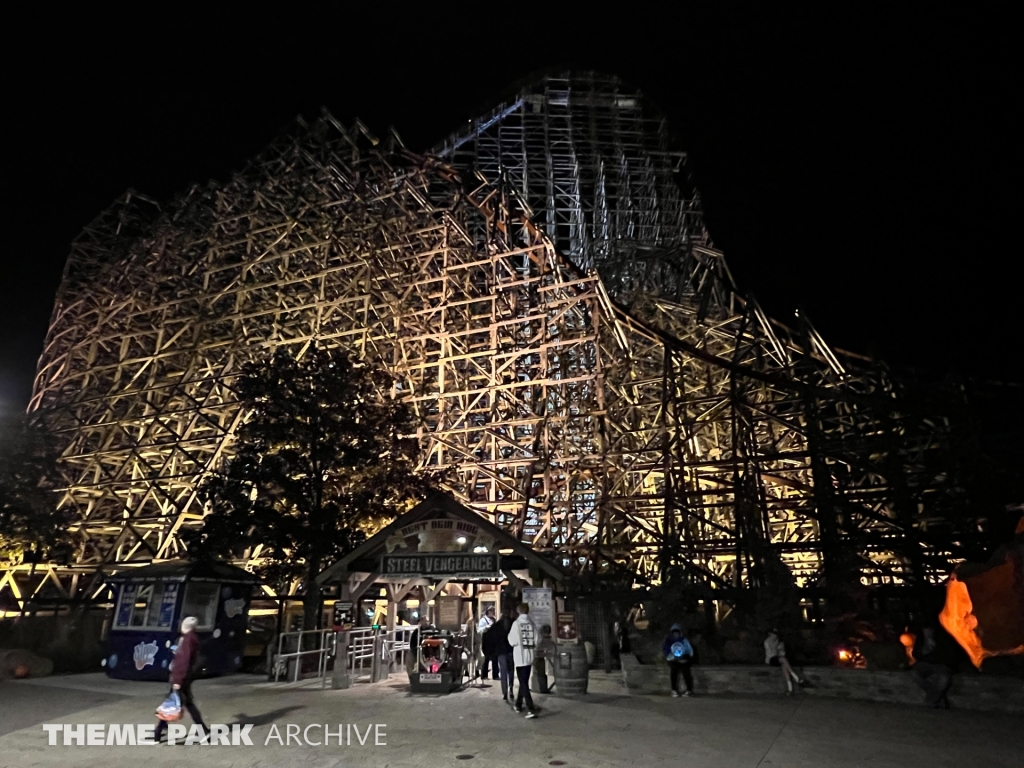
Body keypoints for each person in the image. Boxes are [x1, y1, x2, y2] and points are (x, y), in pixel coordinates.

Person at [155, 616, 206, 742]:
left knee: (171, 703)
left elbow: (184, 660)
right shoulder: (190, 638)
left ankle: (158, 732)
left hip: (181, 677)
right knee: (184, 702)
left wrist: (177, 680)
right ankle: (204, 731)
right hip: (184, 676)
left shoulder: (187, 639)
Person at [912, 621, 957, 708]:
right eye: (925, 630)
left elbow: (947, 656)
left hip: (942, 664)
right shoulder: (921, 638)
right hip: (926, 664)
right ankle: (939, 697)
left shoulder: (943, 636)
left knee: (943, 678)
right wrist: (925, 648)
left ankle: (930, 702)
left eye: (929, 630)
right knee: (914, 674)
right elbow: (916, 654)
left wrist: (934, 647)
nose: (927, 632)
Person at [508, 602, 538, 718]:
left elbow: (512, 641)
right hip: (530, 655)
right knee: (523, 681)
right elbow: (537, 639)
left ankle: (531, 708)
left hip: (520, 656)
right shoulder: (532, 624)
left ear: (518, 611)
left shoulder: (516, 624)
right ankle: (518, 704)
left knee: (523, 682)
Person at [764, 628, 807, 695]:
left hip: (779, 659)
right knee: (783, 660)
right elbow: (772, 653)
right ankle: (797, 678)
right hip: (771, 659)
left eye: (776, 634)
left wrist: (781, 649)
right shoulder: (767, 642)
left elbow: (782, 652)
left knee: (784, 666)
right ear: (770, 634)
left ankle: (790, 689)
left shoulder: (779, 642)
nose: (775, 636)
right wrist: (777, 647)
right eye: (773, 634)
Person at [490, 609, 516, 704]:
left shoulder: (497, 625)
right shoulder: (513, 623)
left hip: (501, 651)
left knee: (503, 672)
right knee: (511, 670)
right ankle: (511, 689)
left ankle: (504, 692)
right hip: (510, 650)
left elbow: (492, 638)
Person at [663, 624, 695, 697]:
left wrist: (687, 657)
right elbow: (666, 651)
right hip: (673, 659)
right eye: (674, 633)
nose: (676, 634)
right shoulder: (668, 641)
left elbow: (689, 650)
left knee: (686, 672)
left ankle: (689, 690)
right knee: (673, 672)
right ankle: (673, 689)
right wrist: (672, 658)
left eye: (677, 632)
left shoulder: (684, 640)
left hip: (683, 658)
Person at [477, 607, 499, 680]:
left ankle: (495, 675)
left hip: (494, 642)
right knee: (486, 659)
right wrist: (486, 627)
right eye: (491, 611)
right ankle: (484, 675)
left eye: (493, 611)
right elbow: (479, 630)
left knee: (495, 659)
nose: (493, 612)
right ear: (488, 612)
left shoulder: (494, 619)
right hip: (486, 642)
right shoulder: (483, 620)